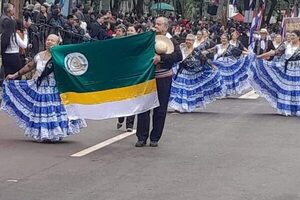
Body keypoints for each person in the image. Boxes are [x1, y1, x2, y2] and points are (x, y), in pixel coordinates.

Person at [1, 34, 87, 141]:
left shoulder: (60, 56)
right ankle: (44, 134)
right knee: (42, 112)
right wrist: (15, 75)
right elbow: (29, 66)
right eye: (48, 40)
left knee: (55, 111)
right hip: (41, 88)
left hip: (55, 89)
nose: (49, 42)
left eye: (52, 41)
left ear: (58, 43)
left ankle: (56, 133)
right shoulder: (39, 55)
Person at [135, 17, 182, 147]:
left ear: (166, 27)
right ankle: (141, 137)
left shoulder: (172, 41)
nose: (156, 26)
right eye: (155, 24)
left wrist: (161, 58)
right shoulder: (148, 38)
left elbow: (178, 56)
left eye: (159, 24)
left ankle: (155, 137)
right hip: (148, 78)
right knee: (144, 107)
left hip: (164, 78)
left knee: (160, 109)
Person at [249, 30, 300, 116]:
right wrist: (261, 56)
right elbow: (274, 52)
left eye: (293, 36)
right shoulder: (286, 45)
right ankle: (288, 109)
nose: (291, 37)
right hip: (288, 71)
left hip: (298, 71)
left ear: (298, 37)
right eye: (291, 36)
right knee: (288, 89)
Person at [169, 34, 224, 112]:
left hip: (191, 73)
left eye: (189, 40)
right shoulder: (181, 49)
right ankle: (179, 106)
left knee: (186, 91)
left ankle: (184, 106)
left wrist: (213, 67)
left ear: (193, 41)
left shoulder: (196, 52)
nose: (187, 41)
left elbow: (204, 60)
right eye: (187, 39)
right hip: (181, 72)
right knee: (179, 89)